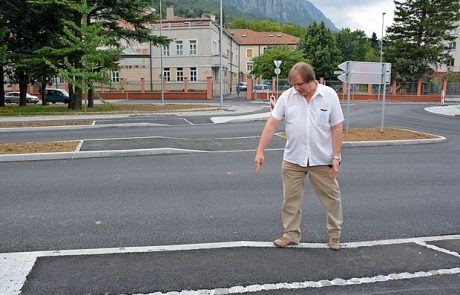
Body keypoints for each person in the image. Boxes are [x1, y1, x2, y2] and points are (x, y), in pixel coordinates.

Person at [254, 62, 344, 250]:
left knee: (332, 198)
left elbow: (337, 127)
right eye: (293, 84)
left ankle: (334, 235)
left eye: (300, 84)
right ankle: (291, 234)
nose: (296, 88)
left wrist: (336, 157)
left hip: (322, 159)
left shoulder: (329, 95)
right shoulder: (287, 97)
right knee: (290, 200)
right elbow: (272, 124)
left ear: (311, 80)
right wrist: (260, 150)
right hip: (293, 159)